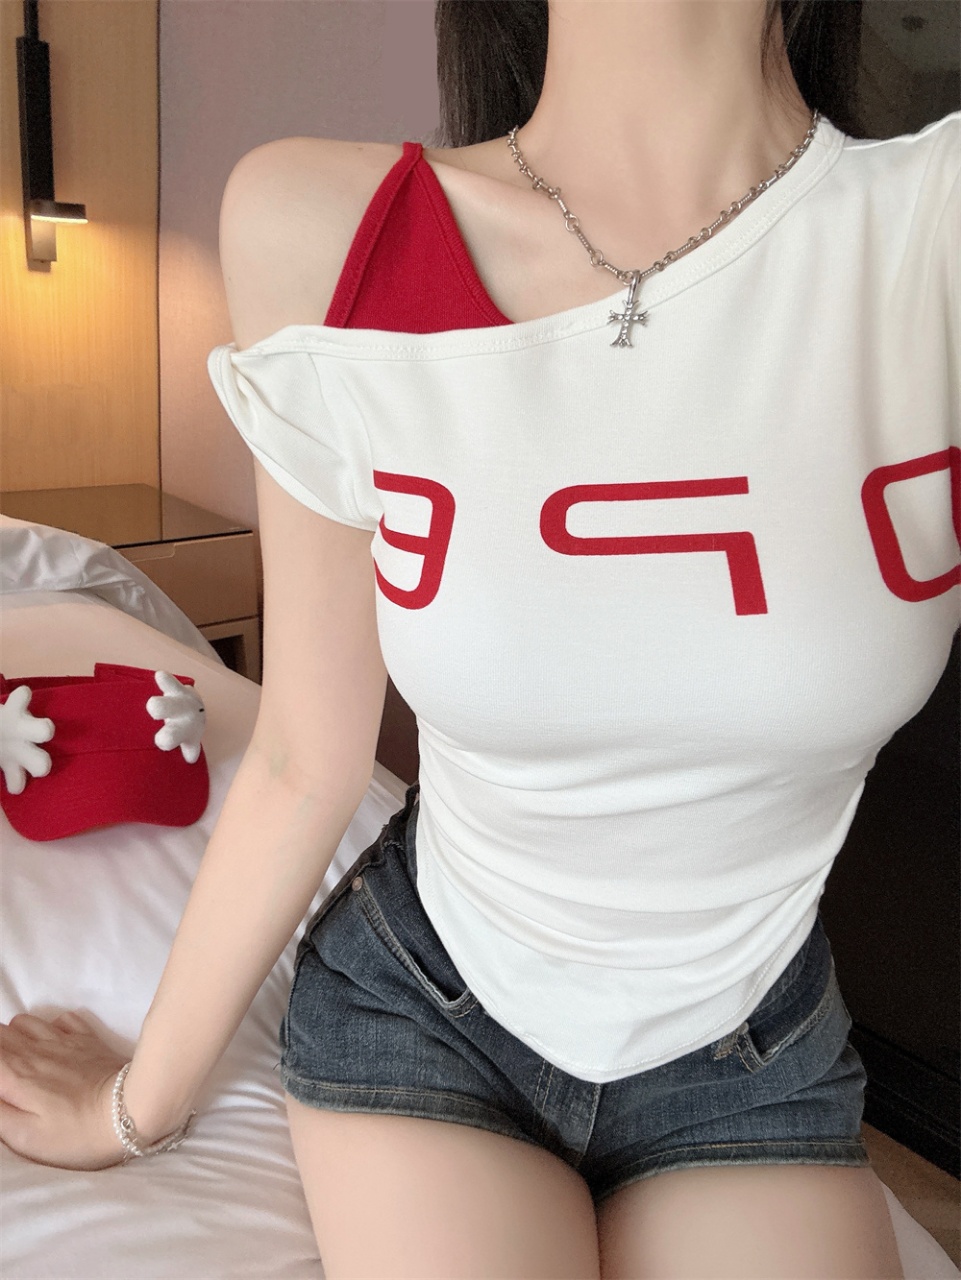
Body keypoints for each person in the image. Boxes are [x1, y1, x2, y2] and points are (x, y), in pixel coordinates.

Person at [1, 1, 956, 1275]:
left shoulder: (927, 228)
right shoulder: (327, 225)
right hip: (425, 1012)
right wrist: (133, 1104)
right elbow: (301, 751)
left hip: (750, 1052)